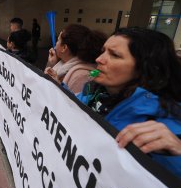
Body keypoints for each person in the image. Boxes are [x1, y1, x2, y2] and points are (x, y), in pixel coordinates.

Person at [77, 27, 181, 178]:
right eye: (103, 51)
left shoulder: (164, 121)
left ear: (145, 68)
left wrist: (177, 153)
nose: (99, 59)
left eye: (114, 55)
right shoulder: (94, 93)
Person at [44, 24, 107, 93]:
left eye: (58, 40)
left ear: (64, 48)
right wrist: (51, 64)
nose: (55, 44)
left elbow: (71, 102)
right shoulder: (64, 63)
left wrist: (58, 85)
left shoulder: (81, 76)